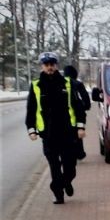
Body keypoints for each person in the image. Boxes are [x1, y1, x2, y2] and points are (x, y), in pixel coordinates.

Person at [26, 52, 86, 204]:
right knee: (54, 167)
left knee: (70, 167)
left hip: (68, 132)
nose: (49, 67)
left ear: (56, 65)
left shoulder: (67, 83)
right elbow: (31, 109)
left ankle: (66, 182)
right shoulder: (36, 86)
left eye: (52, 64)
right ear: (42, 66)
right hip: (48, 134)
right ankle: (58, 194)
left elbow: (78, 106)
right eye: (46, 65)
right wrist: (31, 129)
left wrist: (80, 127)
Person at [63, 65, 90, 160]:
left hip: (62, 117)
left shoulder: (60, 84)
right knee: (78, 132)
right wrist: (85, 107)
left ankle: (69, 154)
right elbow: (85, 98)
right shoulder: (78, 84)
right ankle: (79, 153)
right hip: (76, 113)